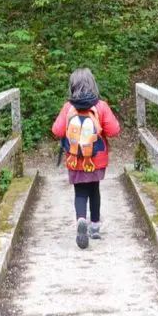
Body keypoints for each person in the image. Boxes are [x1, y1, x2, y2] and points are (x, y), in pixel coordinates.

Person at [51, 68, 121, 249]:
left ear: (72, 86)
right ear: (93, 84)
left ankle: (81, 219)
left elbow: (57, 130)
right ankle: (95, 226)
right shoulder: (101, 106)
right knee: (94, 189)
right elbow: (114, 130)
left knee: (80, 192)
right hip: (96, 158)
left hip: (75, 159)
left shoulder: (68, 107)